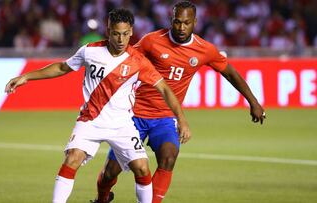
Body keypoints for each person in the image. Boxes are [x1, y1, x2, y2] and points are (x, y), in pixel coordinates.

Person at [5, 8, 190, 203]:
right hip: (90, 120)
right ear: (108, 30)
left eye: (125, 34)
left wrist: (182, 119)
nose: (121, 39)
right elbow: (61, 67)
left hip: (122, 124)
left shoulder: (139, 61)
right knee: (72, 158)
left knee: (142, 168)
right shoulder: (90, 51)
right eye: (116, 34)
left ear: (131, 32)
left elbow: (165, 89)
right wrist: (26, 76)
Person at [93, 1, 266, 203]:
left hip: (165, 118)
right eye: (177, 22)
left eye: (186, 23)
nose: (181, 28)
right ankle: (102, 197)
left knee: (169, 156)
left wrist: (253, 102)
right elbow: (125, 61)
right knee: (110, 172)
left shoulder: (204, 49)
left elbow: (230, 73)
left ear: (195, 22)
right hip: (133, 115)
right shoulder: (152, 41)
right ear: (171, 21)